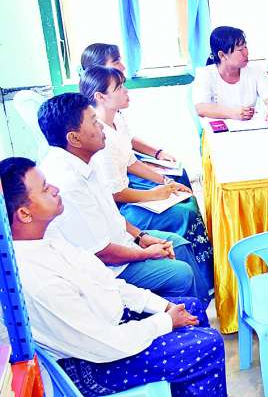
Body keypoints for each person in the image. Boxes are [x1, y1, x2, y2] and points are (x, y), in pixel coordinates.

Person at [0, 157, 226, 397]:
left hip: (107, 327)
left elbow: (108, 283)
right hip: (89, 363)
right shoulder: (36, 278)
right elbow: (101, 343)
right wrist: (165, 321)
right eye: (46, 189)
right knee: (207, 345)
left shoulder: (48, 239)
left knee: (191, 308)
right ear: (24, 213)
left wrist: (164, 307)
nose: (55, 189)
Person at [37, 93, 206, 302]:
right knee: (181, 273)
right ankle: (178, 314)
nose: (101, 126)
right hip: (108, 268)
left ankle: (197, 313)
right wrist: (147, 253)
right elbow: (101, 253)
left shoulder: (86, 159)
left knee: (179, 245)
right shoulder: (68, 183)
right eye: (94, 122)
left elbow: (112, 216)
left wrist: (141, 237)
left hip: (122, 243)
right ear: (74, 138)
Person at [80, 66, 214, 302]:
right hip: (124, 209)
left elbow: (131, 161)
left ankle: (204, 283)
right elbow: (116, 194)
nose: (126, 91)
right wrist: (155, 194)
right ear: (100, 97)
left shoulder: (116, 120)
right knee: (184, 214)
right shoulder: (101, 139)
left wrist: (166, 182)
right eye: (119, 88)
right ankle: (200, 285)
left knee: (187, 199)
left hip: (128, 199)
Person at [80, 43, 180, 165]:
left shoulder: (114, 111)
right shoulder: (94, 120)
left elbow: (125, 138)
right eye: (116, 62)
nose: (123, 67)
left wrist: (158, 153)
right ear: (98, 70)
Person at [193, 26, 268, 121]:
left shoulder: (255, 70)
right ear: (222, 55)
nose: (246, 53)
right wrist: (232, 113)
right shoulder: (205, 74)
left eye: (245, 47)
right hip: (219, 129)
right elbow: (201, 108)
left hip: (250, 127)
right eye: (240, 50)